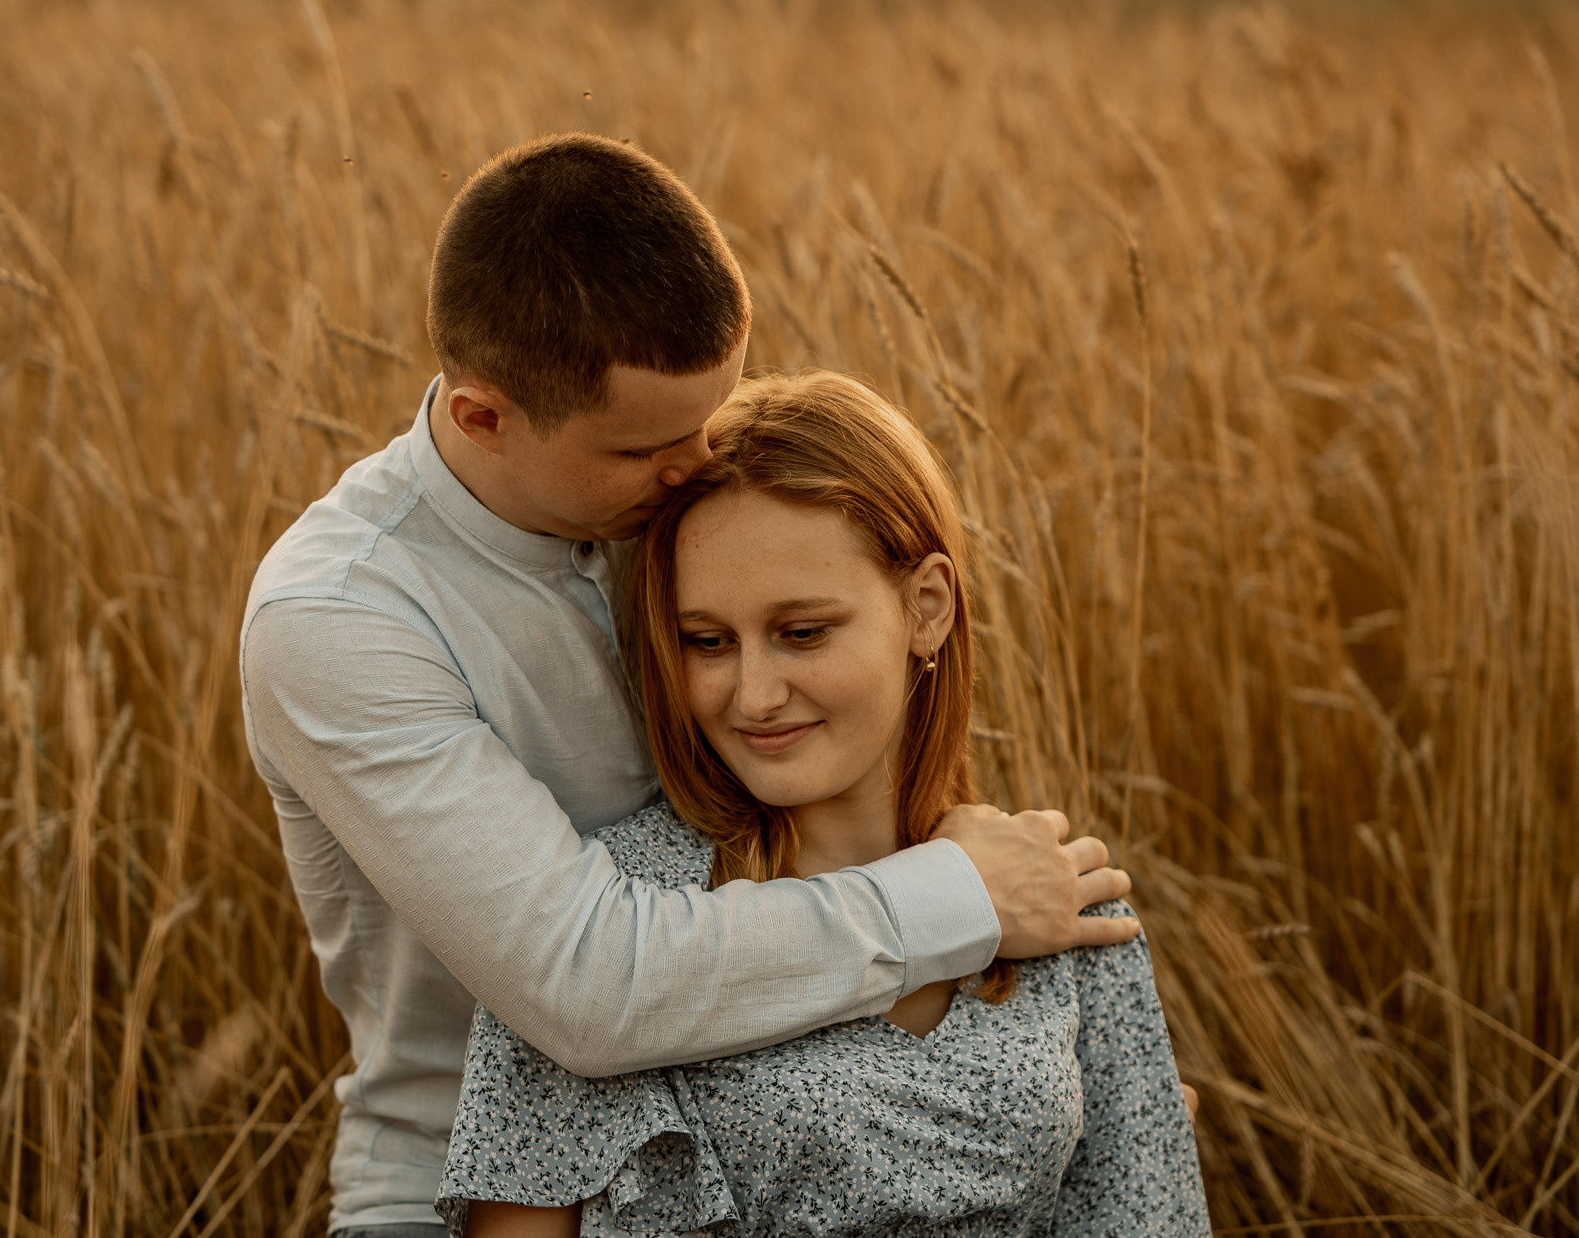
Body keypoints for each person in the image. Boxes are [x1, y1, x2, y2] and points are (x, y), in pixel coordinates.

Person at [240, 134, 1138, 1236]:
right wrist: (961, 895)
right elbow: (582, 984)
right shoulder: (339, 619)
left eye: (704, 420)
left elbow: (848, 698)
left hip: (813, 1107)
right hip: (466, 1189)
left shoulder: (666, 472)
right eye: (644, 451)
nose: (694, 466)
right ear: (483, 416)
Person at [436, 370, 1210, 1237]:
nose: (755, 694)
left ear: (927, 607)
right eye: (709, 641)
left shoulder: (1062, 901)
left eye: (802, 631)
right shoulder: (602, 919)